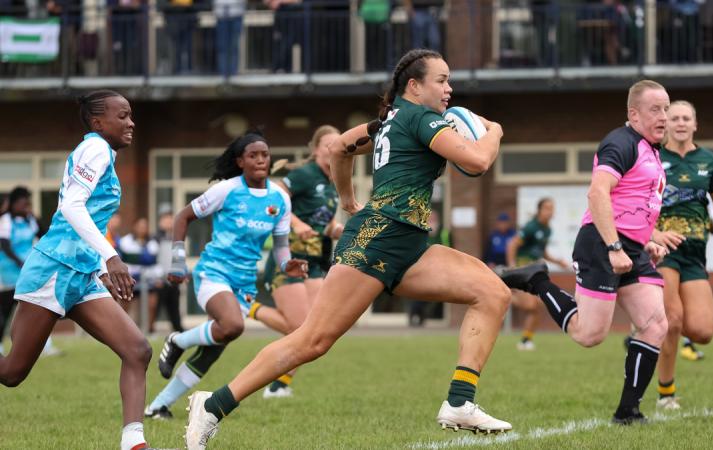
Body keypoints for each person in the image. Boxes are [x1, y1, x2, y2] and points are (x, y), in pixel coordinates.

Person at [183, 48, 511, 449]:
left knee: (492, 292)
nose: (449, 88)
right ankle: (212, 405)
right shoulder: (422, 118)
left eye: (449, 80)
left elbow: (339, 147)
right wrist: (493, 131)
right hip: (378, 240)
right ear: (414, 86)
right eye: (441, 80)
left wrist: (348, 200)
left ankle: (460, 402)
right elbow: (477, 161)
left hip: (407, 242)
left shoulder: (388, 120)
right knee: (312, 341)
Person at [502, 79, 670, 424]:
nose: (664, 117)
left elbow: (634, 202)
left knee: (655, 325)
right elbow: (598, 194)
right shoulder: (620, 143)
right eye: (656, 109)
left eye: (666, 108)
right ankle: (537, 281)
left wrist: (646, 239)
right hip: (601, 244)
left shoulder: (650, 148)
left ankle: (628, 412)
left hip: (631, 247)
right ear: (633, 114)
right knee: (589, 334)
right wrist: (614, 246)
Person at [0, 90, 153, 450]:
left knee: (137, 350)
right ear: (98, 122)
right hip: (55, 267)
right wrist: (111, 257)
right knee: (11, 373)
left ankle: (134, 444)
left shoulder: (106, 154)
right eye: (123, 116)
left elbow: (88, 221)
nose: (131, 122)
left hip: (81, 273)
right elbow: (71, 207)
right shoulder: (95, 148)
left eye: (131, 115)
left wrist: (100, 265)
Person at [145, 130, 304, 420]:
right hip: (214, 272)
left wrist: (287, 265)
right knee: (231, 325)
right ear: (240, 161)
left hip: (244, 284)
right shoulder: (227, 190)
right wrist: (178, 262)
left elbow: (282, 247)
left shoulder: (280, 199)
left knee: (211, 352)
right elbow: (183, 217)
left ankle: (157, 406)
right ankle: (177, 341)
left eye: (265, 154)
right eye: (253, 155)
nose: (260, 160)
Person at [651, 100, 713, 410]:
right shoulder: (652, 157)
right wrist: (652, 235)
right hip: (663, 252)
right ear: (666, 122)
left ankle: (649, 326)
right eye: (673, 117)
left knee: (702, 332)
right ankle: (666, 393)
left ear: (695, 124)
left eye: (685, 118)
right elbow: (630, 201)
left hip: (696, 254)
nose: (679, 122)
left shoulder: (710, 161)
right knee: (672, 320)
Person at [261, 125, 343, 399]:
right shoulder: (306, 174)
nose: (334, 148)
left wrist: (337, 229)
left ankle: (279, 385)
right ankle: (249, 308)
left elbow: (323, 223)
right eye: (329, 143)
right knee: (299, 329)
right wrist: (295, 223)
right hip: (291, 258)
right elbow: (275, 198)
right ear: (317, 149)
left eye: (338, 143)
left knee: (317, 330)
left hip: (316, 260)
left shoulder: (332, 182)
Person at [0, 187, 62, 357]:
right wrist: (19, 261)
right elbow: (4, 245)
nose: (26, 206)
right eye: (23, 203)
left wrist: (35, 216)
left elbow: (44, 234)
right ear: (13, 204)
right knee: (6, 310)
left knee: (39, 306)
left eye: (28, 202)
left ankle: (45, 346)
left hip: (29, 270)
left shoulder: (29, 220)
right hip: (10, 271)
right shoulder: (5, 220)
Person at [505, 197, 570, 351]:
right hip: (523, 269)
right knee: (531, 304)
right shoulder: (531, 227)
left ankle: (526, 340)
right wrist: (512, 267)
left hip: (535, 270)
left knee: (536, 306)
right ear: (539, 210)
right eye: (547, 208)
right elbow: (512, 244)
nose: (550, 211)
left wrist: (557, 261)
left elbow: (542, 252)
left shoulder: (547, 230)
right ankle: (501, 296)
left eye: (552, 208)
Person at [408, 209, 450, 327]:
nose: (432, 221)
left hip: (439, 268)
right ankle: (415, 316)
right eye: (430, 219)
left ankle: (422, 315)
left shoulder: (444, 233)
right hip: (422, 268)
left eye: (434, 219)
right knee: (418, 293)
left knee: (432, 293)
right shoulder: (420, 232)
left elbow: (450, 249)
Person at [149, 208, 183, 334]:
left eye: (171, 219)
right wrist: (156, 278)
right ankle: (150, 331)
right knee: (155, 308)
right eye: (166, 219)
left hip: (173, 279)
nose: (169, 222)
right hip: (159, 280)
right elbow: (152, 260)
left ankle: (179, 331)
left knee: (174, 308)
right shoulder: (155, 238)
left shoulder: (177, 237)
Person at [118, 217, 159, 316]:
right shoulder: (124, 241)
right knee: (125, 304)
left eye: (144, 226)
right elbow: (124, 260)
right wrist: (144, 258)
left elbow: (152, 261)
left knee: (152, 303)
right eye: (140, 226)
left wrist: (134, 257)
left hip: (147, 280)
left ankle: (149, 330)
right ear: (134, 227)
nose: (142, 229)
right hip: (129, 280)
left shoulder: (153, 243)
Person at [213, 0, 245, 76]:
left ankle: (233, 73)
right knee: (222, 46)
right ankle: (223, 73)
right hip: (221, 14)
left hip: (236, 13)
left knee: (233, 46)